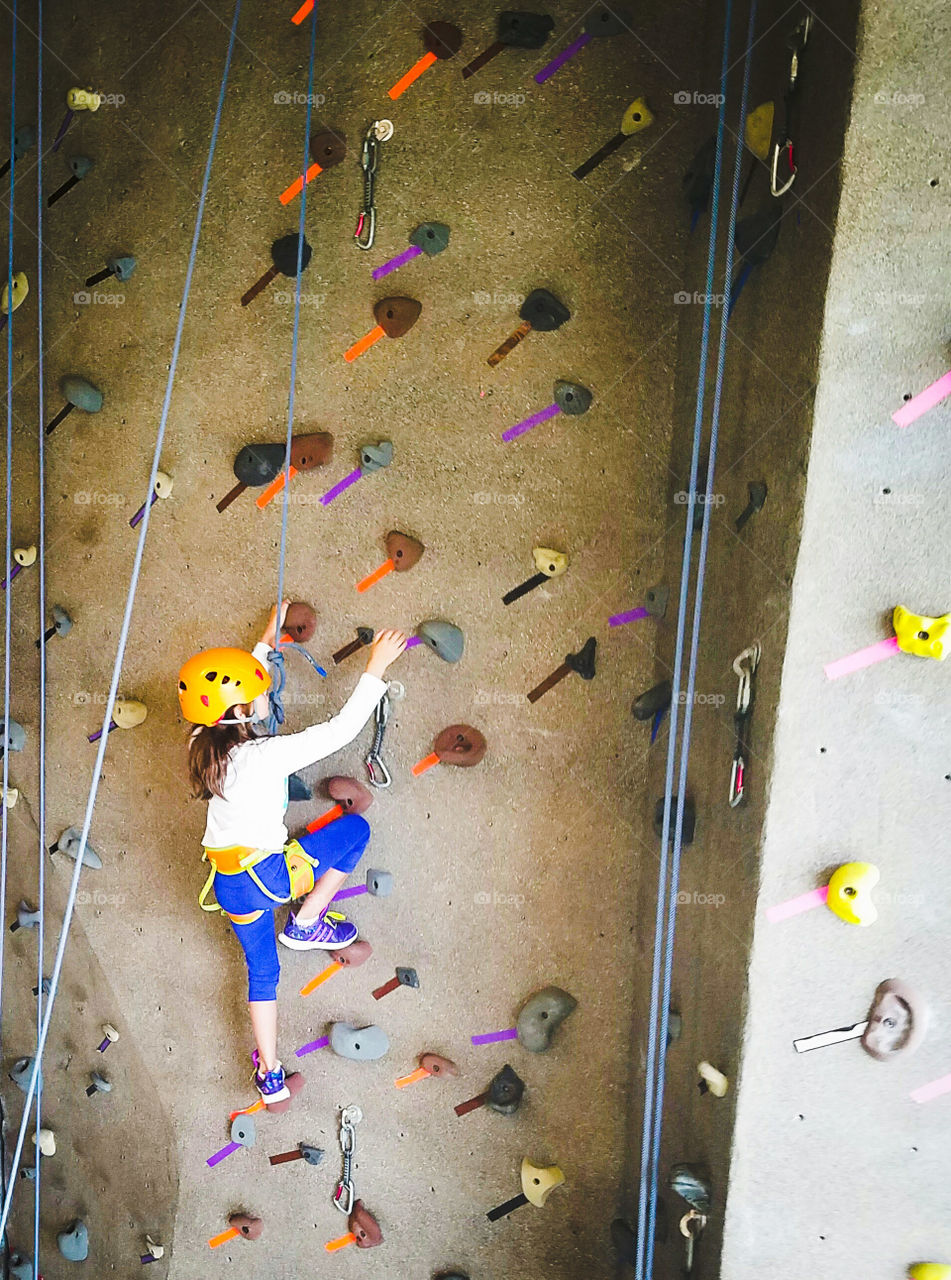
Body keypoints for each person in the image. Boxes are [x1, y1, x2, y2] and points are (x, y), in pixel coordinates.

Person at [178, 602, 406, 1102]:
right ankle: (306, 922)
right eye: (257, 691)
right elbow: (339, 732)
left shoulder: (202, 740)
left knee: (264, 974)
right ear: (239, 711)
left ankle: (271, 1073)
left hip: (230, 886)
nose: (265, 691)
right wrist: (375, 669)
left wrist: (266, 638)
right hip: (270, 877)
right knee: (354, 832)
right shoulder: (263, 756)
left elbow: (228, 691)